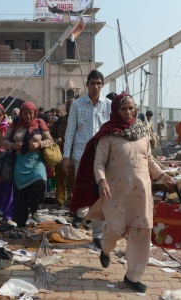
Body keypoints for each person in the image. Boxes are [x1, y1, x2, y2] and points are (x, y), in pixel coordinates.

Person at [73, 93, 174, 293]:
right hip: (116, 193)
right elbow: (99, 161)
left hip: (141, 193)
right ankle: (105, 250)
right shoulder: (108, 134)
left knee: (141, 231)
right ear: (116, 110)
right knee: (114, 231)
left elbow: (149, 161)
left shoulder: (142, 132)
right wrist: (101, 180)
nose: (128, 112)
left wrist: (163, 176)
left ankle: (132, 276)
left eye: (131, 108)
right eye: (124, 108)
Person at [63, 70, 111, 248]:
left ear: (102, 85)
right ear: (87, 85)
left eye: (99, 83)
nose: (96, 86)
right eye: (93, 83)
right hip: (81, 156)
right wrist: (66, 157)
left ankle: (97, 234)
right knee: (83, 191)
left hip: (103, 157)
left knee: (101, 195)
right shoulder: (77, 105)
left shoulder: (109, 105)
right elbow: (70, 132)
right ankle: (81, 215)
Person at [3, 101, 53, 227]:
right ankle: (20, 224)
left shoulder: (40, 123)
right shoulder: (15, 124)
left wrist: (38, 144)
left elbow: (49, 140)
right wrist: (13, 145)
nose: (28, 116)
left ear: (34, 113)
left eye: (30, 113)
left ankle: (34, 207)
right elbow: (4, 141)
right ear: (21, 114)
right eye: (25, 114)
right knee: (21, 193)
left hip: (36, 160)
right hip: (20, 161)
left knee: (40, 182)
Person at [51, 98, 75, 209]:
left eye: (72, 105)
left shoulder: (80, 120)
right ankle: (60, 200)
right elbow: (52, 134)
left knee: (73, 178)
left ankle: (73, 200)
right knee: (61, 177)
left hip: (75, 152)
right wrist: (57, 140)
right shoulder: (60, 121)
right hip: (61, 152)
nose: (69, 107)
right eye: (68, 105)